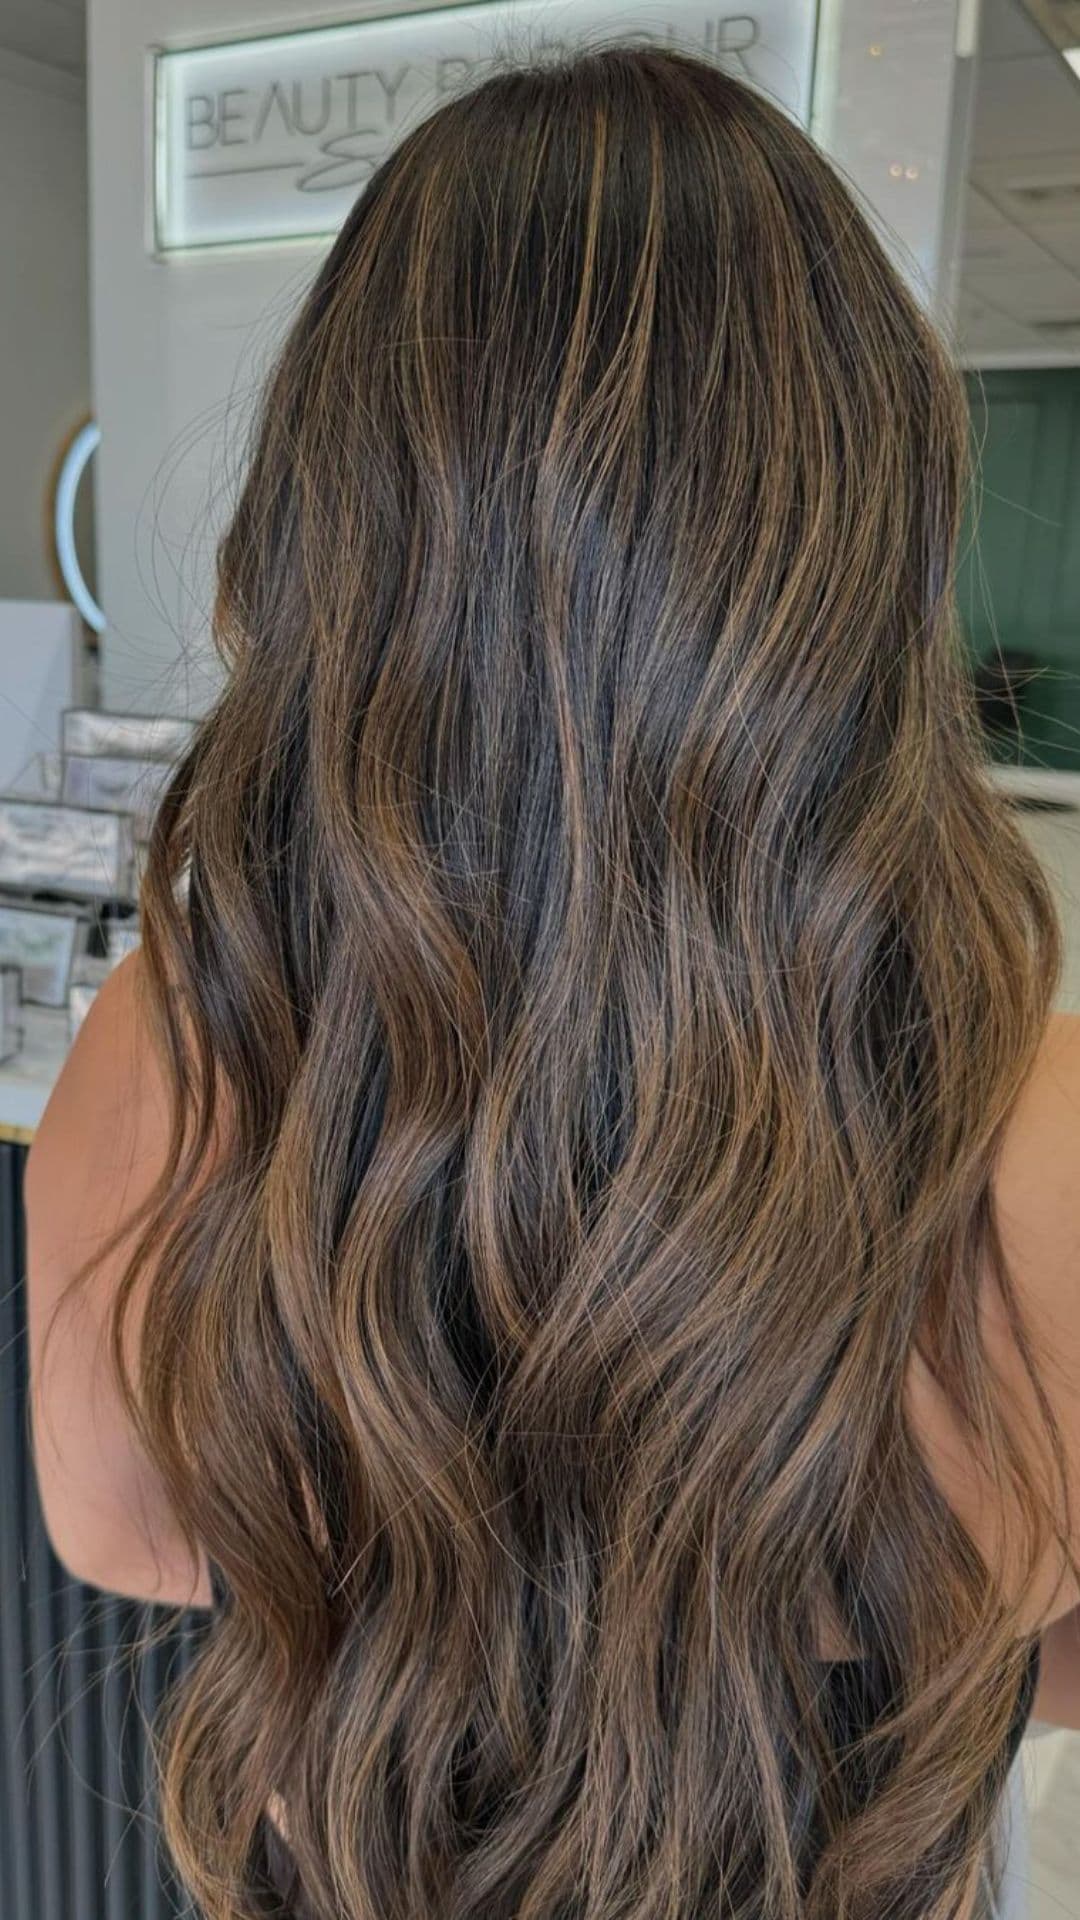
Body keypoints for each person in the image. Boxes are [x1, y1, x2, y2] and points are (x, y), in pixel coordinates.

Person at [23, 43, 1080, 1920]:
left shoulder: (179, 1049)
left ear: (340, 528)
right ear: (852, 543)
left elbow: (112, 1534)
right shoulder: (1043, 1121)